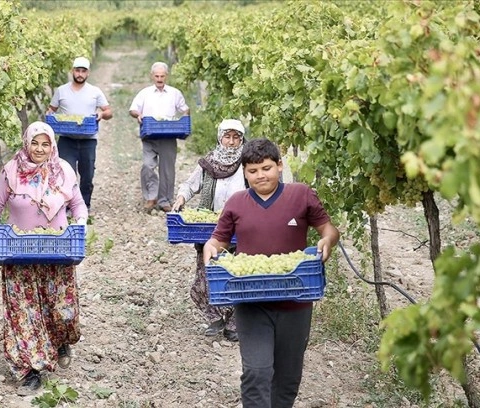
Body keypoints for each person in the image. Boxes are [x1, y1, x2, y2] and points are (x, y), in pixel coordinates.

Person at [202, 138, 340, 408]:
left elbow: (328, 228)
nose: (260, 176)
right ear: (244, 172)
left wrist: (327, 241)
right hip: (251, 301)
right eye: (252, 171)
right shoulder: (236, 203)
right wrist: (211, 247)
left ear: (279, 165)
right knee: (256, 371)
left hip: (296, 301)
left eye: (266, 168)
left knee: (288, 378)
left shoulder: (301, 195)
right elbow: (218, 239)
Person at [0, 121, 89, 394]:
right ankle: (30, 370)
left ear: (52, 145)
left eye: (45, 143)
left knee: (60, 310)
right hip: (19, 254)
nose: (40, 149)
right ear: (26, 143)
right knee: (23, 314)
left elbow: (78, 205)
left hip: (57, 252)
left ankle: (60, 340)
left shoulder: (63, 170)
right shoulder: (11, 170)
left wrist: (80, 222)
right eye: (35, 143)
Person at [171, 119, 248, 342]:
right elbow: (190, 185)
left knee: (236, 275)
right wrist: (181, 197)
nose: (231, 142)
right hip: (210, 230)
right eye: (227, 137)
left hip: (239, 230)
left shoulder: (246, 164)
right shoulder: (209, 163)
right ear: (220, 137)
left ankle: (234, 322)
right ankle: (215, 316)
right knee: (207, 275)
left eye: (236, 137)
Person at [47, 56, 113, 211]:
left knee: (87, 175)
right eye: (77, 70)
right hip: (66, 138)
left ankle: (84, 205)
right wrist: (50, 114)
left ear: (88, 73)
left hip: (88, 139)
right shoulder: (61, 91)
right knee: (66, 173)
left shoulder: (95, 92)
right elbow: (52, 109)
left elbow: (109, 111)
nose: (80, 74)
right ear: (73, 71)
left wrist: (101, 115)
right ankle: (68, 205)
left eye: (83, 71)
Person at [129, 61, 190, 213]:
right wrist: (139, 115)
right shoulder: (145, 93)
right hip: (149, 135)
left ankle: (165, 200)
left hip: (169, 135)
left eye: (162, 76)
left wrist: (184, 120)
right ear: (152, 76)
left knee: (167, 170)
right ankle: (151, 196)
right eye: (156, 76)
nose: (159, 79)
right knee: (147, 166)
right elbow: (133, 110)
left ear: (166, 76)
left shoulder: (175, 93)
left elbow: (185, 109)